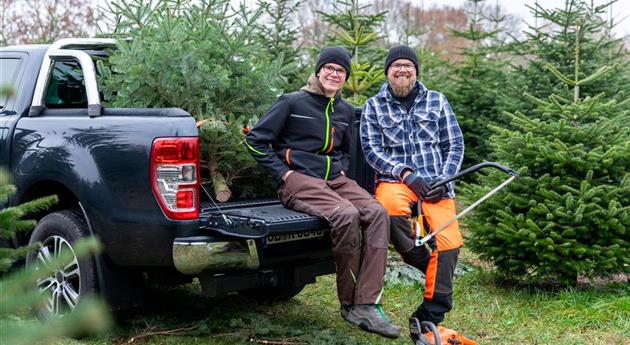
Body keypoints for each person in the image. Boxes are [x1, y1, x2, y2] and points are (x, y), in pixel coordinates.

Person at [245, 46, 400, 339]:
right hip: (299, 180)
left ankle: (367, 303)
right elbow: (255, 140)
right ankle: (348, 303)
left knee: (378, 213)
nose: (334, 74)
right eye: (329, 68)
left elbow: (343, 148)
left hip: (335, 180)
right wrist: (283, 173)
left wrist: (339, 169)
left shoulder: (344, 110)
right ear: (318, 71)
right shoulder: (292, 102)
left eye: (340, 71)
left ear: (345, 77)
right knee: (346, 214)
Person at [360, 45, 475, 344]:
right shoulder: (374, 105)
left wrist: (442, 179)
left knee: (450, 243)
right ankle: (420, 259)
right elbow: (372, 150)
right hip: (397, 180)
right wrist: (407, 174)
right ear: (387, 71)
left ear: (415, 71)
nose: (402, 70)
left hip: (436, 183)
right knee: (389, 210)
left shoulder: (437, 101)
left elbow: (455, 145)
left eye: (407, 66)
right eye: (395, 65)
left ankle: (430, 313)